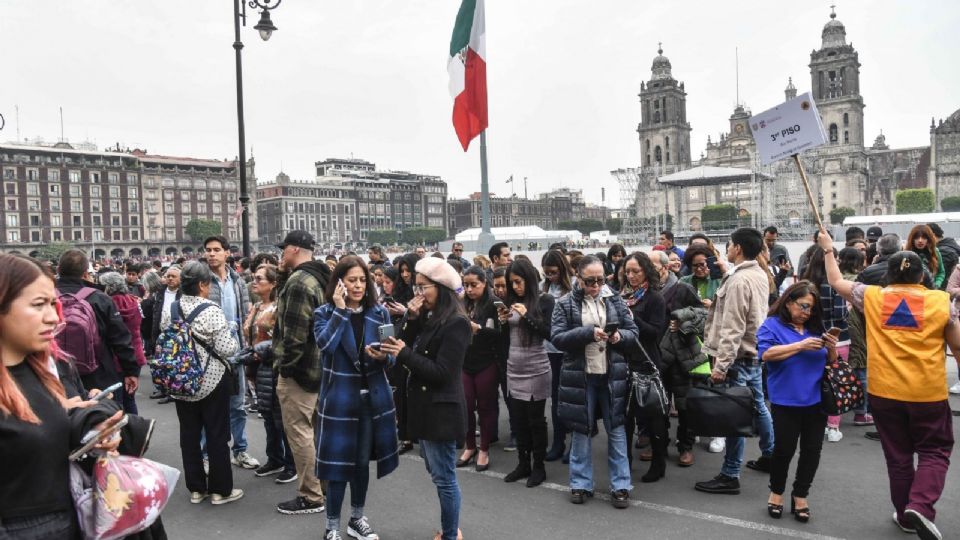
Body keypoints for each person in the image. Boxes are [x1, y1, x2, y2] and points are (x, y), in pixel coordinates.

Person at [819, 229, 960, 539]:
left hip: (883, 392)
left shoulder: (872, 295)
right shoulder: (941, 302)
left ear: (887, 275)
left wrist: (828, 250)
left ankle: (904, 514)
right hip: (927, 392)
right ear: (923, 274)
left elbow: (835, 282)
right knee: (935, 452)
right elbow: (958, 346)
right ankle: (920, 507)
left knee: (898, 457)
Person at [0, 254, 127, 539]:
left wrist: (91, 430)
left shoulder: (42, 370)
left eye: (52, 303)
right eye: (38, 305)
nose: (54, 317)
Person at [379, 257, 471, 540]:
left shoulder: (457, 323)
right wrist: (412, 319)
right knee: (436, 471)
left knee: (444, 478)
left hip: (441, 411)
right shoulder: (431, 318)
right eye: (416, 288)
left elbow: (442, 372)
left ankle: (450, 534)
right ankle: (450, 529)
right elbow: (400, 343)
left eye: (423, 288)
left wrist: (405, 353)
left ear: (441, 287)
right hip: (425, 408)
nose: (418, 295)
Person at [313, 256, 399, 540]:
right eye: (352, 280)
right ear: (339, 282)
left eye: (362, 280)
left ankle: (356, 518)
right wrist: (340, 311)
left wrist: (384, 357)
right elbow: (325, 346)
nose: (358, 285)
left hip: (371, 399)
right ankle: (332, 526)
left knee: (361, 462)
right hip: (339, 398)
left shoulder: (379, 313)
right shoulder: (324, 312)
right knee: (338, 465)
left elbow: (392, 360)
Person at [552, 255, 638, 507]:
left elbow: (634, 332)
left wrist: (619, 336)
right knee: (581, 429)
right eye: (590, 281)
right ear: (578, 277)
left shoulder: (614, 298)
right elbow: (557, 337)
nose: (596, 285)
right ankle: (580, 483)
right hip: (581, 374)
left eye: (601, 280)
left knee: (617, 429)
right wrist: (587, 334)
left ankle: (621, 484)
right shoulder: (565, 303)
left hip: (613, 374)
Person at [695, 228, 775, 495]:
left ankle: (730, 473)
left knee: (734, 416)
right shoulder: (759, 274)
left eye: (729, 245)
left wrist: (721, 366)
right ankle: (771, 453)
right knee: (758, 406)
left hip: (737, 356)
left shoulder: (740, 280)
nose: (727, 249)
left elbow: (733, 327)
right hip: (753, 353)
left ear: (738, 248)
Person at [163, 261, 243, 505]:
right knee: (217, 434)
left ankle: (196, 488)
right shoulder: (211, 309)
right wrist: (232, 331)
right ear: (201, 284)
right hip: (211, 381)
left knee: (188, 435)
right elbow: (227, 348)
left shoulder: (172, 309)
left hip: (182, 381)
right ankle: (221, 490)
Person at [757, 281, 837, 523]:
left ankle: (801, 494)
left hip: (816, 400)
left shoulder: (815, 327)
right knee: (784, 450)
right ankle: (777, 492)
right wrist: (800, 345)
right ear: (789, 302)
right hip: (786, 400)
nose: (807, 312)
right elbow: (766, 354)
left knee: (812, 451)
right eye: (803, 306)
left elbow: (829, 363)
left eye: (811, 308)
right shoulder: (772, 325)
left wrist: (831, 348)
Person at [274, 230, 331, 515]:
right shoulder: (321, 275)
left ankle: (311, 495)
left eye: (284, 249)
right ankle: (325, 486)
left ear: (294, 249)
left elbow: (294, 334)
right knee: (317, 432)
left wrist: (286, 368)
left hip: (301, 371)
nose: (281, 254)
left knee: (300, 433)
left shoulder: (299, 282)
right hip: (321, 366)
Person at [55, 249, 139, 404]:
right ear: (86, 273)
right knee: (104, 419)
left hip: (56, 375)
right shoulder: (100, 298)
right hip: (99, 374)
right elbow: (120, 339)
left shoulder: (46, 297)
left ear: (58, 270)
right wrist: (131, 371)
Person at [498, 258, 555, 487]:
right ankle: (523, 463)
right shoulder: (511, 301)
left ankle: (539, 466)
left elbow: (549, 333)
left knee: (536, 420)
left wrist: (527, 316)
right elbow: (505, 336)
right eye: (511, 283)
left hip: (537, 365)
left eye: (518, 282)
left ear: (529, 279)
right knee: (518, 419)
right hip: (514, 365)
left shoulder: (544, 300)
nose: (515, 287)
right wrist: (503, 321)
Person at [203, 235, 258, 470]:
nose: (211, 254)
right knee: (210, 409)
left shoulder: (237, 281)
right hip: (209, 354)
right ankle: (207, 454)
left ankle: (240, 450)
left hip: (236, 352)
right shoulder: (201, 280)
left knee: (237, 406)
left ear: (227, 253)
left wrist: (246, 348)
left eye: (216, 249)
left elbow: (245, 315)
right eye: (208, 250)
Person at [619, 252, 668, 481]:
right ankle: (624, 462)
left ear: (646, 271)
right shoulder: (622, 296)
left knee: (654, 418)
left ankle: (659, 465)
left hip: (648, 364)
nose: (631, 276)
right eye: (627, 271)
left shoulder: (654, 298)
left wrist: (631, 317)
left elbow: (655, 334)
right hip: (625, 364)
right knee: (626, 418)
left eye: (636, 271)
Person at [246, 264, 297, 484]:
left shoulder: (279, 307)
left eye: (259, 279)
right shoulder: (256, 306)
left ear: (274, 283)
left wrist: (261, 351)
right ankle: (274, 457)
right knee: (267, 413)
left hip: (272, 364)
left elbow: (281, 340)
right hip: (257, 366)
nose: (254, 282)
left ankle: (291, 462)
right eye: (254, 278)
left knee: (280, 417)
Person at [800, 244, 849, 443]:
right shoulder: (836, 285)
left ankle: (811, 421)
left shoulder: (806, 284)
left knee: (812, 380)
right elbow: (840, 314)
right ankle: (833, 426)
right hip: (837, 338)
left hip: (809, 337)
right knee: (835, 381)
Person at [458, 266, 504, 472]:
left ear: (484, 283)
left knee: (486, 406)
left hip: (487, 361)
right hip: (465, 361)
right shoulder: (461, 303)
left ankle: (484, 448)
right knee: (466, 406)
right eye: (466, 285)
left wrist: (480, 329)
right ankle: (470, 446)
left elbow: (503, 335)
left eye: (473, 285)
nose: (469, 289)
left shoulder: (494, 303)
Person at [541, 250, 574, 462]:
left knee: (573, 398)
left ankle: (575, 443)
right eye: (546, 273)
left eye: (553, 272)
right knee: (555, 399)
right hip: (550, 349)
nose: (550, 277)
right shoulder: (543, 288)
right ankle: (558, 441)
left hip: (570, 348)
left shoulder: (575, 287)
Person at [98, 272, 147, 414]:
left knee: (117, 400)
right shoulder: (133, 300)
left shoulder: (107, 303)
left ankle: (123, 433)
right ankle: (134, 430)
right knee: (130, 398)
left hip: (116, 355)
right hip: (135, 352)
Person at [906, 225, 945, 289]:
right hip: (913, 292)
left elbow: (941, 272)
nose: (920, 240)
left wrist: (937, 284)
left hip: (931, 291)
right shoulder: (906, 254)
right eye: (917, 237)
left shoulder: (935, 252)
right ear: (912, 239)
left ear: (929, 239)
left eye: (924, 237)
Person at [928, 223, 960, 290]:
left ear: (932, 235)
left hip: (943, 290)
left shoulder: (943, 251)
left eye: (925, 236)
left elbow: (941, 275)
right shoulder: (950, 246)